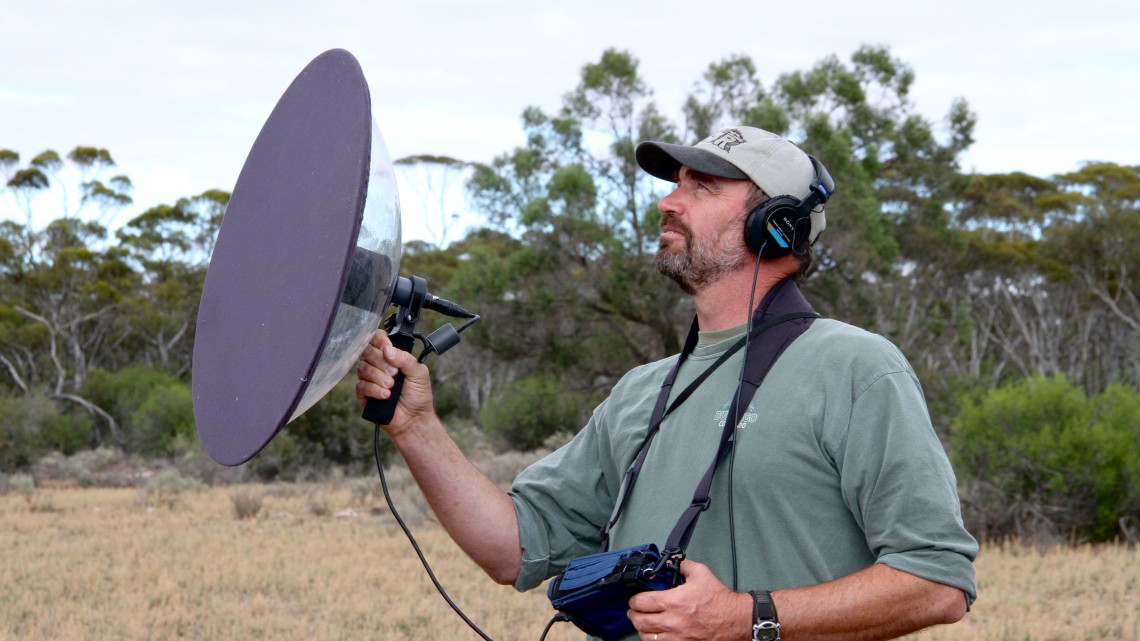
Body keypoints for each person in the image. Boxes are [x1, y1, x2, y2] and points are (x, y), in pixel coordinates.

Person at [356, 126, 978, 641]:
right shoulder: (639, 392)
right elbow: (513, 549)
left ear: (775, 225)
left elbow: (937, 581)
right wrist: (416, 428)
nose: (668, 203)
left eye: (701, 187)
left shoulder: (857, 369)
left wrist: (746, 617)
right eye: (674, 185)